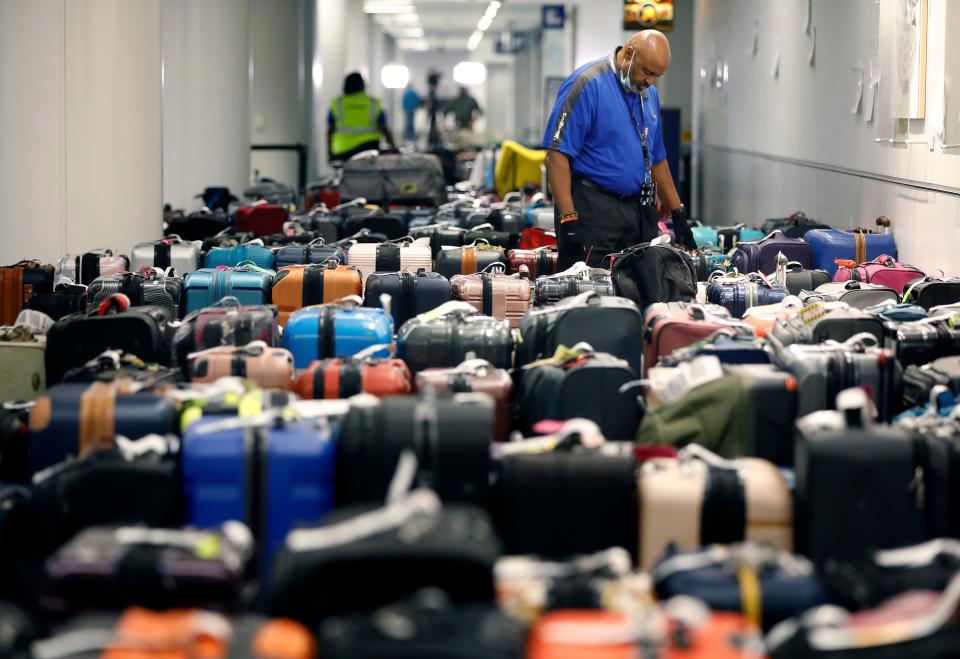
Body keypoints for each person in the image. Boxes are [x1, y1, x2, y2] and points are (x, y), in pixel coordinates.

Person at [542, 30, 696, 270]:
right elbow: (556, 155)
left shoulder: (648, 95)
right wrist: (568, 220)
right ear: (629, 54)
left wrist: (678, 214)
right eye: (647, 71)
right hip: (593, 210)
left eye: (657, 76)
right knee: (590, 295)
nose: (650, 81)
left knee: (639, 289)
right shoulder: (587, 83)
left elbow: (657, 160)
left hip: (637, 213)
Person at [328, 72, 397, 163]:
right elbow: (384, 128)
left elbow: (330, 130)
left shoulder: (337, 103)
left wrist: (329, 153)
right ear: (363, 85)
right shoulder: (373, 103)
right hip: (368, 149)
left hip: (342, 150)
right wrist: (393, 147)